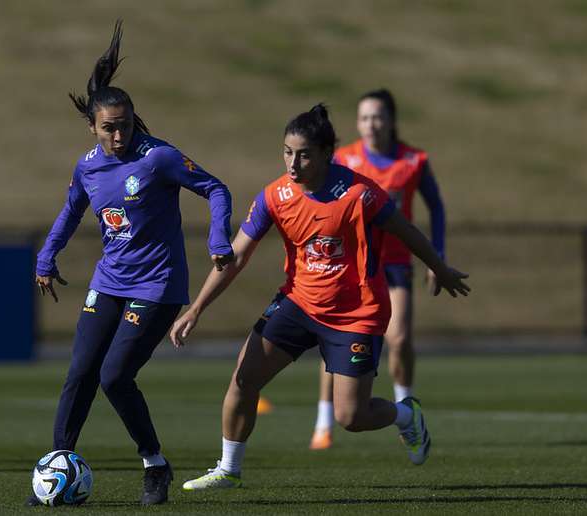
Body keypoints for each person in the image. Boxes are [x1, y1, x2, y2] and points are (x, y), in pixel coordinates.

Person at [170, 104, 469, 490]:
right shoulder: (275, 196)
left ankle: (405, 415)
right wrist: (196, 308)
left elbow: (405, 230)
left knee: (351, 417)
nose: (293, 163)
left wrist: (439, 267)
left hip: (356, 312)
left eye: (304, 153)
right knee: (244, 380)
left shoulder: (359, 194)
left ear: (328, 153)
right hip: (297, 303)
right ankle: (228, 469)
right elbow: (238, 255)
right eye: (287, 152)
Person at [28, 21, 234, 506]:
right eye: (109, 127)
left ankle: (154, 464)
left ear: (133, 119)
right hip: (110, 280)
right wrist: (46, 255)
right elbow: (71, 210)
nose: (118, 134)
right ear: (93, 128)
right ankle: (58, 469)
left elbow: (216, 188)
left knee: (114, 376)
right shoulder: (88, 166)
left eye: (125, 123)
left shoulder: (157, 157)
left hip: (158, 285)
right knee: (80, 373)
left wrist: (217, 235)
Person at [309, 88, 447, 450]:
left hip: (395, 264)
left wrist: (438, 256)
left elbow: (437, 208)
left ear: (391, 120)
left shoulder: (414, 161)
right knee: (332, 345)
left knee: (398, 339)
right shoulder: (344, 159)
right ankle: (323, 422)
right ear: (358, 123)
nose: (372, 123)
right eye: (365, 117)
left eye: (378, 116)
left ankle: (407, 405)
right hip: (349, 268)